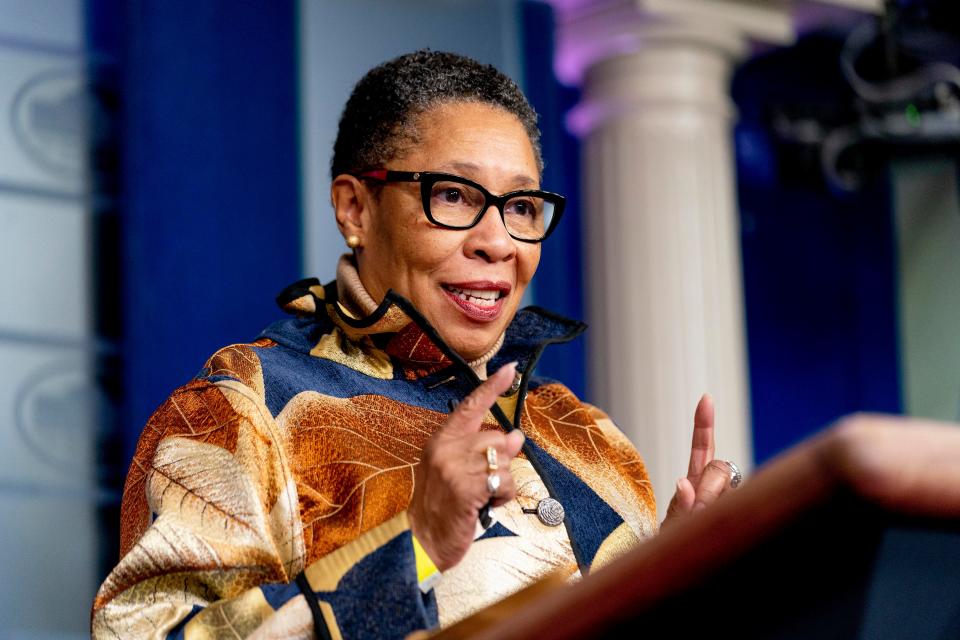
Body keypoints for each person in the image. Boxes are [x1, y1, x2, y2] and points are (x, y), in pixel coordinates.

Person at [91, 50, 740, 639]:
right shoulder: (242, 407)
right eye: (454, 195)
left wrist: (673, 581)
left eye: (521, 207)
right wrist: (417, 545)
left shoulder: (586, 432)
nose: (499, 242)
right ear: (355, 209)